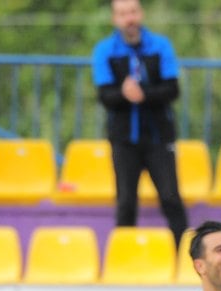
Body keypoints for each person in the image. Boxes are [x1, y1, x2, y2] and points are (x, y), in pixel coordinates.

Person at [92, 0, 189, 248]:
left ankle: (187, 257)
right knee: (126, 201)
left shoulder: (160, 45)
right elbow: (105, 95)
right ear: (115, 19)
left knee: (170, 198)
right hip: (124, 139)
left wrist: (143, 94)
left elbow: (172, 89)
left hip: (159, 137)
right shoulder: (105, 50)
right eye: (123, 14)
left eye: (133, 12)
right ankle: (125, 257)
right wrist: (124, 94)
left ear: (141, 14)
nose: (129, 19)